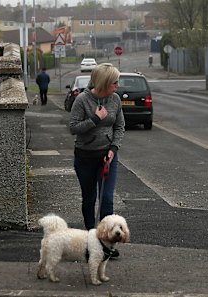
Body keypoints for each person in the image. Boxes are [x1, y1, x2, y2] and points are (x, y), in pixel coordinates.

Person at [68, 63, 125, 231]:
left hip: (107, 157)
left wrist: (113, 149)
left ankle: (106, 240)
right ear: (104, 83)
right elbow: (73, 128)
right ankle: (90, 235)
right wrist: (95, 119)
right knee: (89, 199)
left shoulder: (115, 100)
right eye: (115, 82)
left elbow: (120, 126)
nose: (117, 86)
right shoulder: (82, 100)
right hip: (85, 158)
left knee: (107, 198)